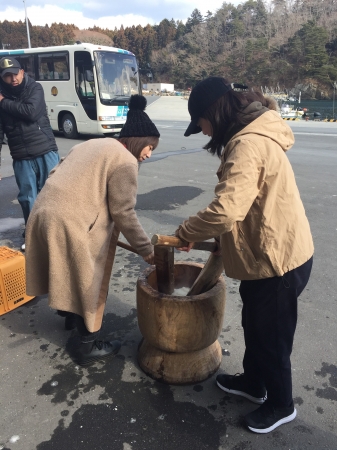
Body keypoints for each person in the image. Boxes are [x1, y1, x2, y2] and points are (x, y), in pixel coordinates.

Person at [175, 77, 314, 434]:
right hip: (263, 254)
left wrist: (185, 232)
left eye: (200, 124)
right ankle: (255, 383)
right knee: (256, 324)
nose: (203, 132)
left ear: (212, 114)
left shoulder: (247, 144)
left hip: (277, 260)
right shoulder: (250, 134)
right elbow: (248, 204)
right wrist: (226, 240)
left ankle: (281, 405)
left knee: (272, 336)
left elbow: (227, 210)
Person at [25, 94, 160, 365]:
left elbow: (56, 172)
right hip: (70, 221)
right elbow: (123, 211)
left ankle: (70, 317)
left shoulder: (94, 143)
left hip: (42, 211)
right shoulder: (125, 161)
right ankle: (86, 344)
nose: (149, 153)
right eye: (150, 147)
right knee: (90, 278)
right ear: (138, 141)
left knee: (64, 267)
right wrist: (147, 249)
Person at [0, 57, 59, 250]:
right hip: (21, 156)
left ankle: (55, 233)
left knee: (52, 194)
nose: (13, 79)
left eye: (15, 73)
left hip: (45, 149)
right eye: (7, 76)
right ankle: (33, 236)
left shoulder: (35, 88)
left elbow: (31, 112)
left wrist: (3, 102)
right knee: (27, 199)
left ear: (22, 71)